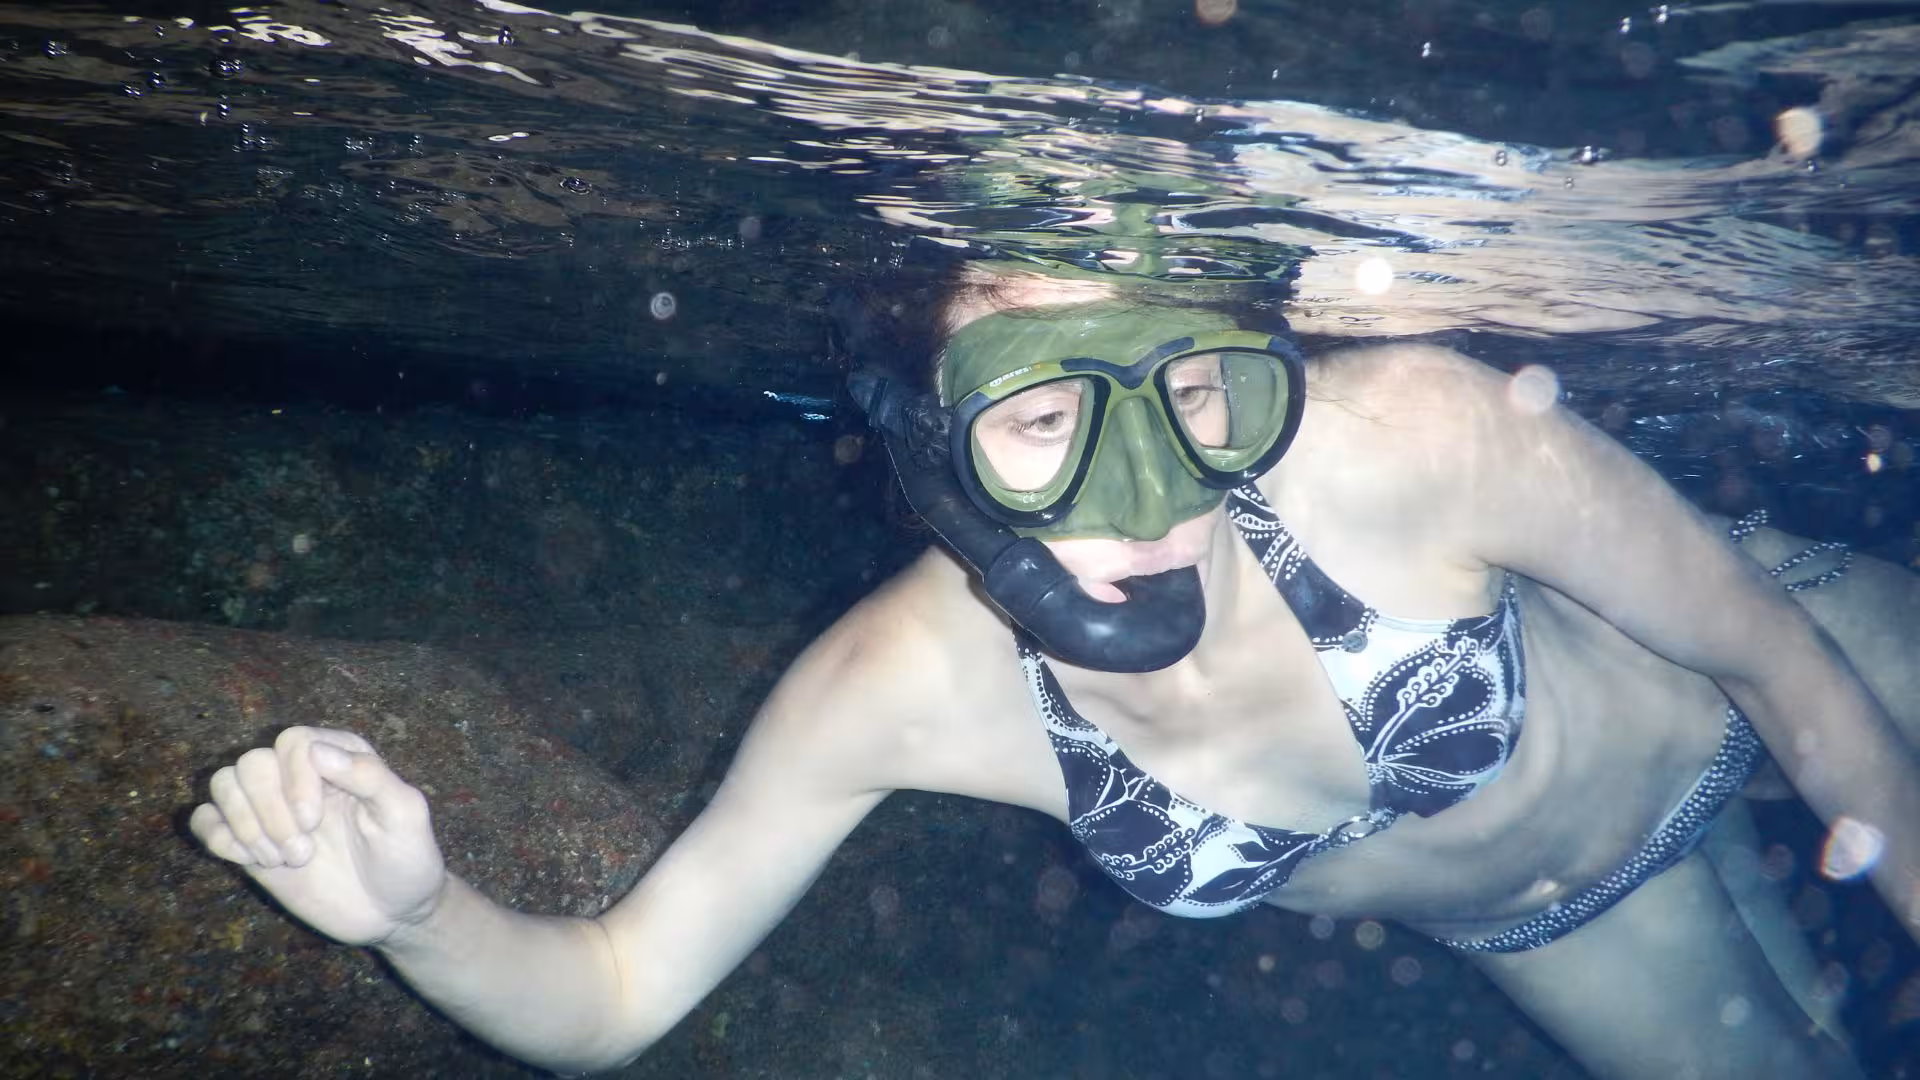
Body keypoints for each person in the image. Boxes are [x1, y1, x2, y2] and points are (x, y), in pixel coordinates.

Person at [191, 262, 1920, 1079]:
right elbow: (620, 994)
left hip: (1771, 676)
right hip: (1566, 909)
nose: (1148, 493)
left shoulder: (1406, 434)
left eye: (1181, 395)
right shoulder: (900, 688)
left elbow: (1783, 666)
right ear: (937, 462)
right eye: (1039, 421)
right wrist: (421, 914)